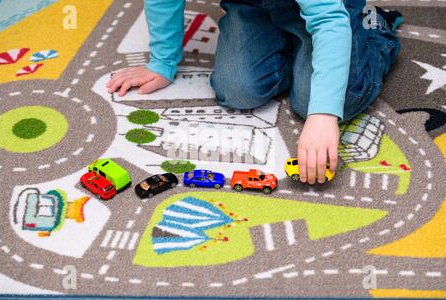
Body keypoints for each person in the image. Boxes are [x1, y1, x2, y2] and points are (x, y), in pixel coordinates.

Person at [107, 0, 403, 184]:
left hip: (330, 9)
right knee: (236, 89)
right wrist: (162, 61)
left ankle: (372, 29)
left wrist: (323, 114)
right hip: (254, 5)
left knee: (324, 99)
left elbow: (328, 19)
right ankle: (295, 46)